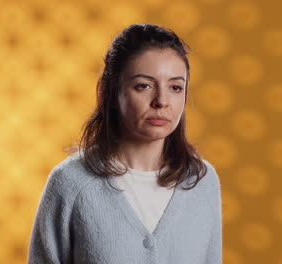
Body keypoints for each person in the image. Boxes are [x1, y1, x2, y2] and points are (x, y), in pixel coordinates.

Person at [27, 23, 222, 264]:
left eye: (175, 87)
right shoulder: (70, 182)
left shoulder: (202, 181)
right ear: (113, 93)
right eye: (144, 85)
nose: (162, 100)